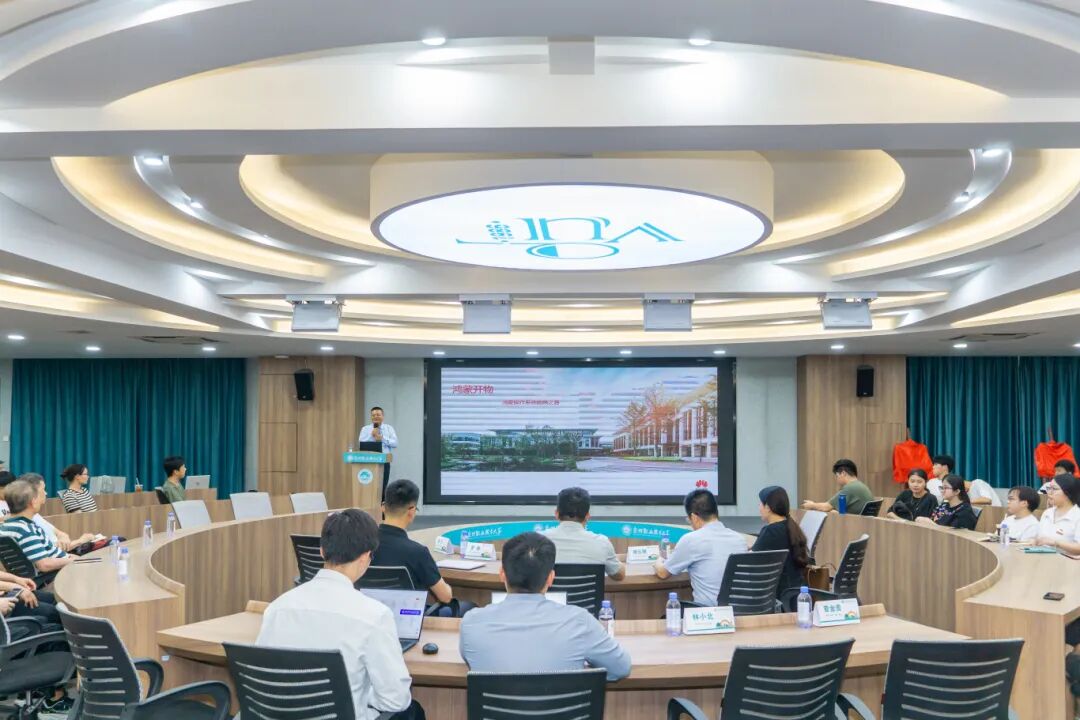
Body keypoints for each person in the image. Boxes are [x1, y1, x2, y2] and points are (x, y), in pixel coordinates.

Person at [257, 509, 425, 720]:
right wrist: (361, 692)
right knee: (413, 711)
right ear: (365, 558)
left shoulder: (277, 609)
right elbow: (396, 700)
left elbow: (264, 682)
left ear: (321, 551)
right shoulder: (374, 616)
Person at [460, 532, 630, 681]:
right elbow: (621, 667)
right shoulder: (580, 622)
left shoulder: (471, 623)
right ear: (550, 578)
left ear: (502, 574)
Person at [372, 479, 469, 615]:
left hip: (372, 615)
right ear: (411, 511)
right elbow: (445, 597)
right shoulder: (417, 552)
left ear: (383, 507)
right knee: (468, 607)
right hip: (409, 618)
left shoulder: (363, 546)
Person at [655, 489, 747, 606]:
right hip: (741, 612)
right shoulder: (739, 539)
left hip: (708, 613)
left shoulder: (691, 539)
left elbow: (663, 573)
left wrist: (659, 560)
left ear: (694, 517)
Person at [543, 487, 625, 580]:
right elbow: (619, 575)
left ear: (556, 514)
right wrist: (614, 559)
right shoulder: (602, 543)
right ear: (587, 516)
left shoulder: (537, 541)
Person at [0, 479, 73, 574]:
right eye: (38, 497)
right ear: (33, 502)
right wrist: (73, 560)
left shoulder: (5, 527)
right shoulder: (25, 529)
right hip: (55, 573)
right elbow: (44, 565)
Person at [751, 486, 809, 606]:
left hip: (780, 599)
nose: (759, 507)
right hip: (796, 598)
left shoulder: (770, 531)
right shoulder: (791, 527)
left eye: (760, 504)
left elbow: (751, 561)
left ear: (768, 507)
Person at [18, 473, 95, 552]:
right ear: (32, 495)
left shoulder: (35, 515)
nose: (46, 493)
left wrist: (63, 537)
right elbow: (50, 551)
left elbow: (58, 532)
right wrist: (81, 541)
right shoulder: (28, 522)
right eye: (43, 489)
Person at [801, 459, 873, 515]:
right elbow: (841, 511)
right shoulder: (861, 486)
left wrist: (812, 505)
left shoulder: (850, 488)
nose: (836, 479)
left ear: (843, 473)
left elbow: (826, 507)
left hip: (853, 524)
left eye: (837, 476)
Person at [927, 454, 998, 506]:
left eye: (936, 464)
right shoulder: (931, 482)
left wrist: (961, 503)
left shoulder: (978, 483)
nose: (933, 467)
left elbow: (987, 500)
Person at [1034, 474, 1080, 548]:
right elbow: (1039, 539)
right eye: (1049, 488)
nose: (1049, 492)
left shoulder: (1077, 515)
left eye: (1054, 489)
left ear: (1068, 493)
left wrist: (1055, 543)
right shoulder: (1047, 513)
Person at [359, 406, 397, 498]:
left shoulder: (389, 428)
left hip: (384, 461)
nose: (375, 416)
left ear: (383, 416)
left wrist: (382, 438)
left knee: (383, 486)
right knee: (369, 485)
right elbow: (361, 442)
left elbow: (395, 443)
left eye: (378, 415)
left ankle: (382, 506)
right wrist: (372, 435)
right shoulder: (365, 429)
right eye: (373, 415)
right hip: (369, 460)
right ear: (371, 417)